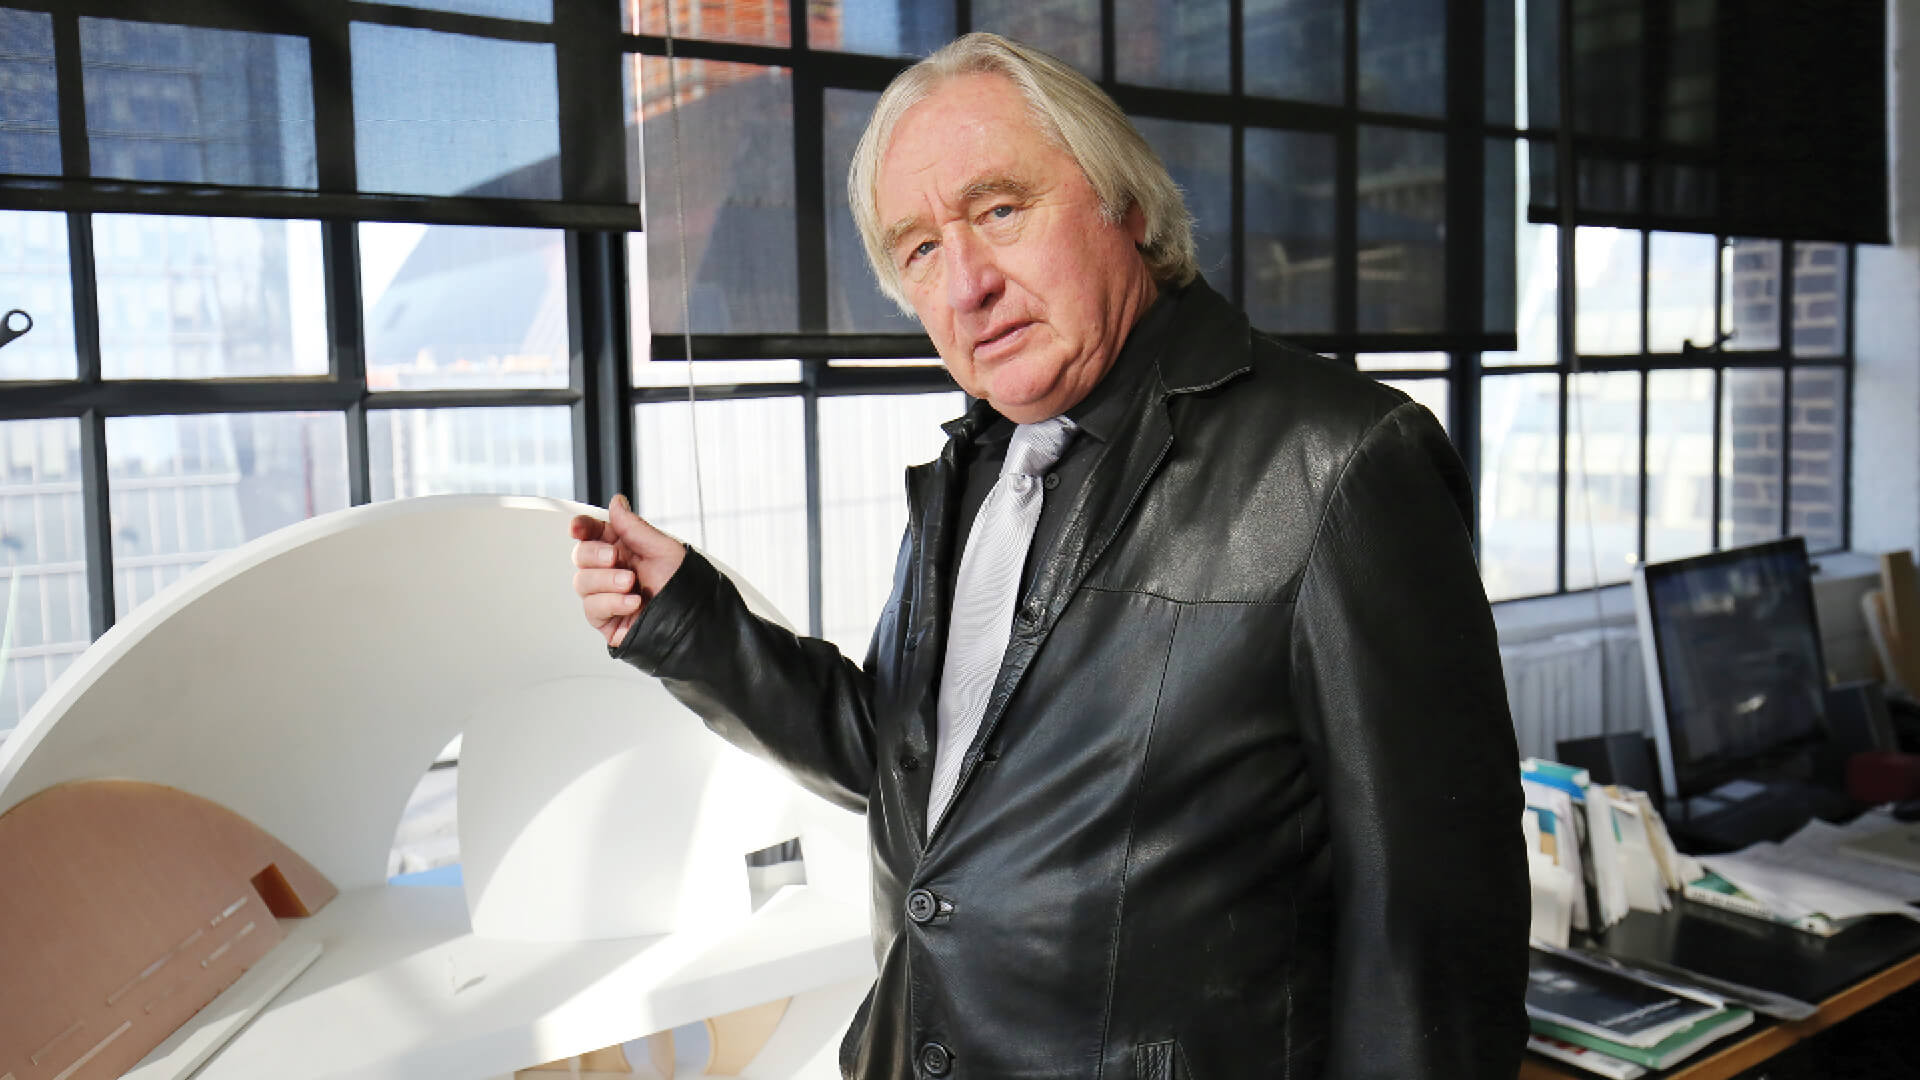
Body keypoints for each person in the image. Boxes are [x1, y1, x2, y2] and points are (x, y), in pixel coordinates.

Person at [572, 32, 1529, 1080]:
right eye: (919, 250)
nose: (965, 284)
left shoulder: (1338, 461)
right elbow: (913, 765)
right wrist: (685, 621)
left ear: (1127, 204)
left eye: (998, 210)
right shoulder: (977, 468)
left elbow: (1434, 948)